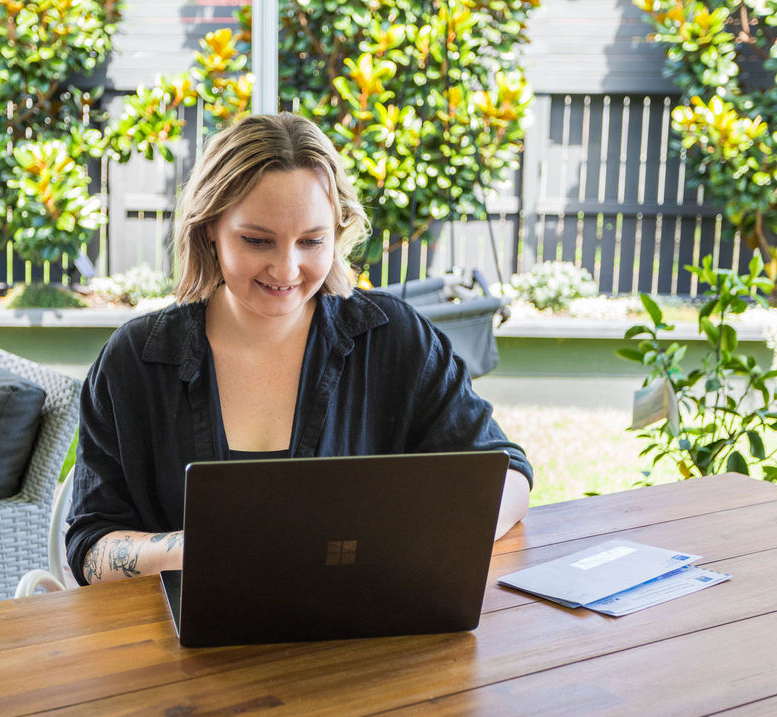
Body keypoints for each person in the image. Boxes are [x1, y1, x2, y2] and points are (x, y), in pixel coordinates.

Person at [66, 112, 533, 585]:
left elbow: (508, 473)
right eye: (257, 240)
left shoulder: (394, 339)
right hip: (178, 649)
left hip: (361, 640)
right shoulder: (136, 359)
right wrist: (200, 547)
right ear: (209, 227)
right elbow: (89, 548)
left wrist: (408, 539)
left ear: (338, 230)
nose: (286, 270)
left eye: (311, 241)